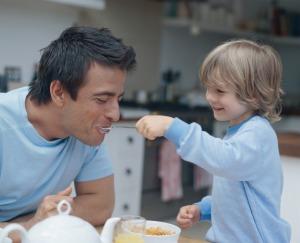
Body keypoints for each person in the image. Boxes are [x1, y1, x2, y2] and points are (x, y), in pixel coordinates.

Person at [136, 39, 291, 242]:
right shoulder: (238, 133)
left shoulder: (258, 134)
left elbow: (225, 160)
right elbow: (236, 194)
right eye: (208, 88)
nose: (209, 97)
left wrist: (171, 127)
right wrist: (204, 209)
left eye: (219, 91)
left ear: (252, 95)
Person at [0, 26, 136, 241]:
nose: (115, 114)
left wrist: (45, 219)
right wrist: (30, 225)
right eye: (101, 100)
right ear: (58, 92)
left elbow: (101, 205)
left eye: (117, 99)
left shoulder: (86, 130)